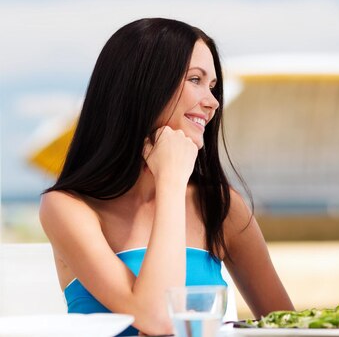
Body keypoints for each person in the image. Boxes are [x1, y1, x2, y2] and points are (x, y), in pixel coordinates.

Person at [40, 18, 294, 336]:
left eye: (213, 86)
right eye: (195, 80)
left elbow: (288, 326)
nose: (213, 102)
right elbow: (159, 320)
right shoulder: (68, 207)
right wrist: (171, 181)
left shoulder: (220, 204)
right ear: (144, 85)